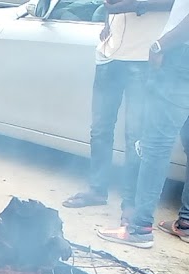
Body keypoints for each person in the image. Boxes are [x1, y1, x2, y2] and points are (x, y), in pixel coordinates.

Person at [63, 0, 172, 214]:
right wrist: (107, 22)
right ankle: (97, 190)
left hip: (143, 58)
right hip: (108, 54)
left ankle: (130, 203)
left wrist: (137, 4)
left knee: (135, 137)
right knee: (100, 129)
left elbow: (175, 4)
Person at [98, 0, 189, 247]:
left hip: (182, 55)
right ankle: (186, 223)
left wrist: (160, 45)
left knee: (156, 146)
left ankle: (139, 228)